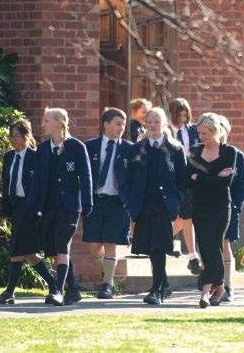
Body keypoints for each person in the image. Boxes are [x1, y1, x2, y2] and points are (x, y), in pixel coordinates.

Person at [27, 108, 93, 306]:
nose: (43, 125)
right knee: (55, 249)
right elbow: (37, 180)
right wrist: (33, 204)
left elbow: (86, 177)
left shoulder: (77, 147)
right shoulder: (43, 148)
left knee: (62, 245)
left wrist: (87, 204)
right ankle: (73, 289)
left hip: (69, 206)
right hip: (48, 205)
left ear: (59, 123)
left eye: (47, 120)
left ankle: (58, 290)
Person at [0, 120, 58, 305]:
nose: (13, 140)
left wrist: (36, 208)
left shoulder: (34, 157)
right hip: (15, 206)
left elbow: (41, 185)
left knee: (17, 250)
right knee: (28, 253)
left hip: (30, 208)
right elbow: (6, 183)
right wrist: (5, 205)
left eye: (17, 135)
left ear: (26, 136)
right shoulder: (9, 157)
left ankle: (9, 292)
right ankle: (54, 285)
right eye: (11, 136)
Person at [127, 107, 187, 305]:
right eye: (149, 122)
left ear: (164, 124)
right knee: (150, 247)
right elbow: (129, 178)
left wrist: (177, 201)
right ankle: (165, 285)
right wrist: (131, 202)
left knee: (159, 246)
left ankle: (156, 291)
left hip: (164, 205)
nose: (153, 125)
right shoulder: (137, 149)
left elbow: (182, 179)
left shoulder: (175, 149)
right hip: (143, 204)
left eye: (157, 122)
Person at [187, 113, 236, 308]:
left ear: (215, 131)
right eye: (199, 133)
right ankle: (221, 287)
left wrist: (199, 178)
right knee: (204, 247)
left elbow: (226, 182)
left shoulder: (229, 152)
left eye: (204, 133)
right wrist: (214, 178)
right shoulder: (194, 152)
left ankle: (205, 291)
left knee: (214, 245)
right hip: (200, 206)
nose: (201, 137)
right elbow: (187, 178)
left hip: (220, 207)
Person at [84, 108, 134, 299]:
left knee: (110, 242)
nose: (121, 128)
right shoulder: (90, 146)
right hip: (95, 201)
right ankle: (110, 276)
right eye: (117, 124)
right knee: (95, 245)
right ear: (105, 124)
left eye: (123, 124)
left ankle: (107, 284)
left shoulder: (129, 149)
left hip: (117, 202)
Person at [168, 98, 201, 275]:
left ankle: (192, 255)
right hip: (172, 178)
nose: (182, 119)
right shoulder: (166, 130)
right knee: (183, 215)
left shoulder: (193, 130)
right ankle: (167, 240)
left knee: (187, 215)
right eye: (179, 115)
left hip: (191, 177)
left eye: (185, 115)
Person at [218, 115, 244, 302]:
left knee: (225, 243)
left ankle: (228, 285)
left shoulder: (236, 155)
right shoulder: (203, 152)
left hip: (229, 206)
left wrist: (236, 205)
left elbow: (241, 184)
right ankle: (214, 283)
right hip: (208, 207)